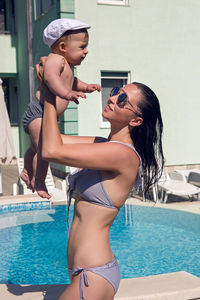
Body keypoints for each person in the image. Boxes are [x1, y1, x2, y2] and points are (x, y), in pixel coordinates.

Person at [38, 57, 164, 300]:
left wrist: (52, 88)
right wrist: (48, 86)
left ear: (136, 121)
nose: (112, 97)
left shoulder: (122, 155)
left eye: (123, 99)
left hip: (92, 275)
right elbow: (46, 140)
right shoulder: (103, 144)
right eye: (116, 91)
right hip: (83, 273)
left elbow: (51, 151)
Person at [21, 18, 101, 199]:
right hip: (39, 112)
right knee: (44, 149)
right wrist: (66, 94)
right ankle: (40, 180)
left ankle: (27, 170)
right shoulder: (55, 59)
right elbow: (50, 78)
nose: (86, 51)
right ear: (63, 47)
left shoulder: (68, 66)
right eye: (82, 47)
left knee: (35, 147)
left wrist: (85, 86)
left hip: (47, 115)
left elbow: (71, 81)